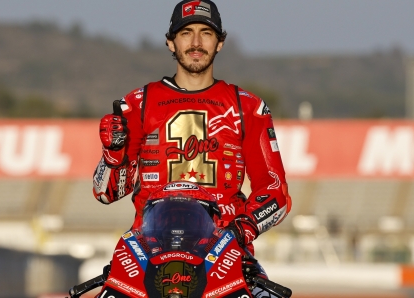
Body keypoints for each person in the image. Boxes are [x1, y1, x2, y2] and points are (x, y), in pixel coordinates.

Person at [93, 0, 291, 256]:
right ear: (171, 43)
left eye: (206, 33)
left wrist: (242, 230)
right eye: (186, 33)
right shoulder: (137, 104)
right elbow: (105, 193)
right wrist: (112, 153)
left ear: (219, 42)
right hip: (149, 253)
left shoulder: (248, 107)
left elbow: (276, 191)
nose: (196, 42)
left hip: (226, 256)